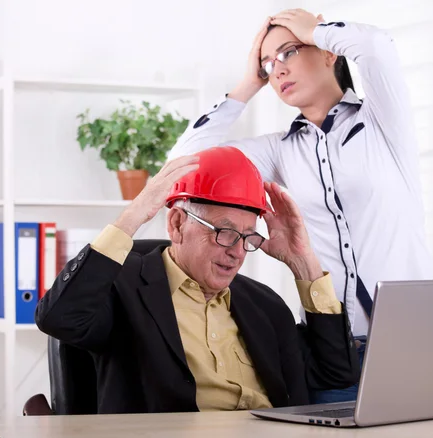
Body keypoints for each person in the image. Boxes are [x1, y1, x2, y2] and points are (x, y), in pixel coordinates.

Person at [168, 9, 433, 403]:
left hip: (415, 341)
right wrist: (247, 84)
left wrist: (315, 30)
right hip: (332, 349)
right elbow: (183, 164)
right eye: (267, 64)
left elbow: (376, 46)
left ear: (329, 52)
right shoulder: (280, 151)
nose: (277, 70)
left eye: (288, 52)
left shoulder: (382, 122)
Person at [35, 146, 359, 414]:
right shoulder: (122, 287)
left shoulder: (264, 303)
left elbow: (335, 373)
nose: (237, 253)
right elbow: (59, 318)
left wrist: (304, 263)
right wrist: (134, 215)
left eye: (247, 238)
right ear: (176, 224)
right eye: (225, 233)